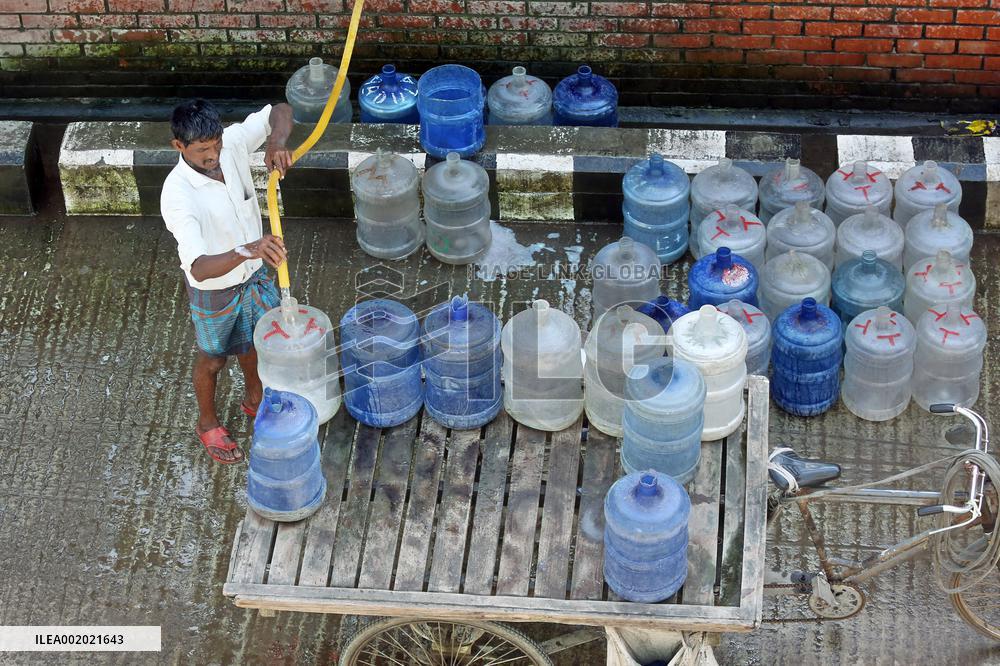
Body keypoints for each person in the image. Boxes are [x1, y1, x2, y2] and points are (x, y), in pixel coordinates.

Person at [161, 99, 295, 464]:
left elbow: (279, 110)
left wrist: (275, 142)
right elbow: (199, 267)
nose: (213, 154)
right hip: (215, 288)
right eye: (202, 150)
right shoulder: (177, 196)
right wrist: (248, 249)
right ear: (179, 147)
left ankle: (255, 399)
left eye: (215, 143)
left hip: (252, 274)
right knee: (213, 359)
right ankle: (207, 423)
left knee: (255, 342)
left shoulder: (231, 145)